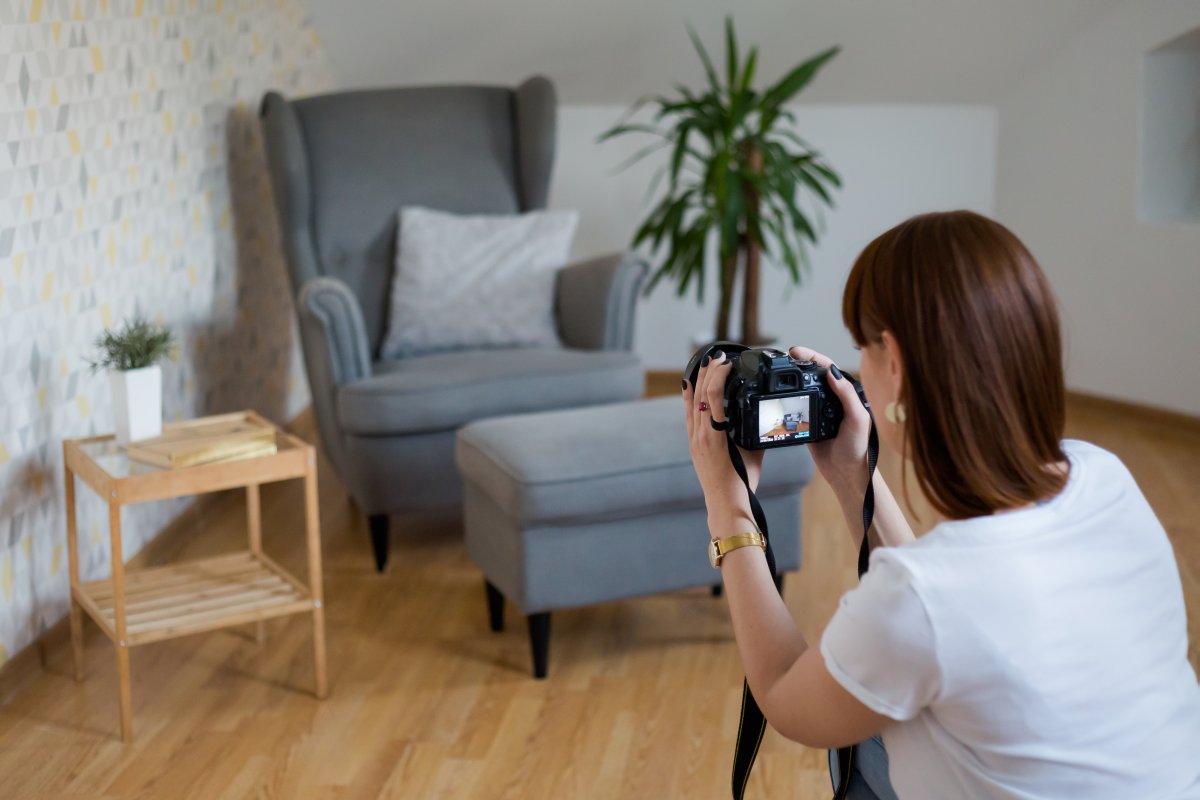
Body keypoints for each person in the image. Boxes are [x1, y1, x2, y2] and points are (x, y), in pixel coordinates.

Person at [682, 210, 1200, 799]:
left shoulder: (924, 601)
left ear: (895, 364)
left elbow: (786, 695)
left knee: (852, 731)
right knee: (877, 708)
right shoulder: (1104, 475)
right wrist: (855, 473)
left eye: (862, 351)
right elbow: (943, 612)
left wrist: (727, 503)